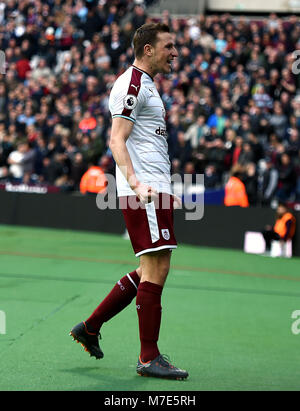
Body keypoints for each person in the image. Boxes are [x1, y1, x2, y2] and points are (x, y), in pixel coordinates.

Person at [70, 23, 188, 380]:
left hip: (154, 187)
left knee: (145, 271)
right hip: (145, 189)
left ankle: (89, 328)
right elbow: (116, 139)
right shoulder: (132, 83)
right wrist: (137, 183)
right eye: (168, 46)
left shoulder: (147, 84)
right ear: (148, 49)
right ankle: (148, 357)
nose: (175, 52)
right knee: (157, 270)